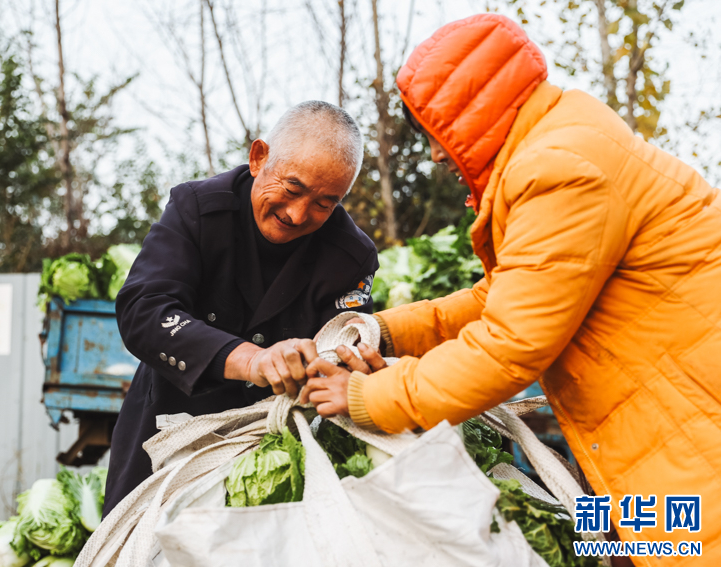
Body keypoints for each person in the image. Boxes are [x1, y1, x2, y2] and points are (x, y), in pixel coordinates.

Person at [301, 14, 721, 561]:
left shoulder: (560, 170)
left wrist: (367, 396)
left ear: (473, 116)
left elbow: (509, 345)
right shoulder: (564, 147)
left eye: (435, 135)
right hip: (662, 425)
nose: (434, 156)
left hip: (690, 436)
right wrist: (383, 330)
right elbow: (498, 297)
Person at [103, 100, 379, 516]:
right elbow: (144, 309)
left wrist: (356, 366)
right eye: (292, 188)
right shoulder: (196, 209)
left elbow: (347, 342)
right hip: (166, 434)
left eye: (325, 203)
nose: (298, 213)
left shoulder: (351, 257)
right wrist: (252, 360)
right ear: (259, 157)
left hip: (279, 452)